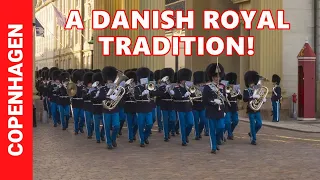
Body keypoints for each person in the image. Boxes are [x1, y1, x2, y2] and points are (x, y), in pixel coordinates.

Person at [202, 63, 226, 154]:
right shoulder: (207, 87)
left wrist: (224, 110)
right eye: (215, 76)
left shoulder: (222, 86)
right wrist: (213, 101)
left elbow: (224, 99)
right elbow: (204, 99)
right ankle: (213, 147)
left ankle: (216, 140)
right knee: (212, 129)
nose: (217, 78)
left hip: (220, 110)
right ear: (212, 77)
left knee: (221, 127)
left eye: (218, 76)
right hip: (211, 110)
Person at [171, 68, 194, 146]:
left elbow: (194, 95)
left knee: (191, 123)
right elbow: (176, 96)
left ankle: (186, 135)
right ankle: (183, 140)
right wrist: (184, 96)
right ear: (181, 80)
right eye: (184, 80)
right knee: (182, 124)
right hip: (180, 108)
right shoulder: (176, 88)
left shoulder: (189, 87)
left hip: (188, 107)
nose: (186, 82)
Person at [243, 71, 266, 145]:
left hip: (257, 109)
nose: (252, 84)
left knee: (259, 124)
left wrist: (263, 100)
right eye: (250, 83)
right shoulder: (246, 90)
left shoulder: (257, 90)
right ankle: (253, 139)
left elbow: (259, 98)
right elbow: (245, 99)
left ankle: (252, 133)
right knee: (252, 124)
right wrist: (252, 96)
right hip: (250, 109)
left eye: (253, 82)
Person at [99, 66, 120, 149]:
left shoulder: (117, 89)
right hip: (106, 110)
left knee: (116, 126)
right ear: (106, 80)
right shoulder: (102, 89)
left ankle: (113, 139)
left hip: (115, 110)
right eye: (109, 81)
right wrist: (108, 96)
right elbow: (100, 97)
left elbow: (121, 99)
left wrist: (116, 97)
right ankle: (109, 143)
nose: (110, 82)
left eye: (111, 80)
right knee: (107, 127)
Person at [153, 68, 176, 142]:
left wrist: (171, 91)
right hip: (164, 104)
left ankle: (168, 131)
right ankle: (166, 135)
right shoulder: (161, 87)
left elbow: (176, 95)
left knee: (173, 119)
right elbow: (156, 93)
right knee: (165, 120)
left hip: (171, 104)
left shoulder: (173, 86)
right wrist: (165, 90)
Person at [134, 67, 153, 147]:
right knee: (141, 125)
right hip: (141, 108)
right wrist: (142, 94)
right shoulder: (137, 88)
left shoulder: (150, 86)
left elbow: (156, 93)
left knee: (150, 124)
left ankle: (145, 137)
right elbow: (136, 97)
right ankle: (142, 141)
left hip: (148, 107)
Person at [224, 72, 242, 140]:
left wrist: (239, 93)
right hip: (227, 106)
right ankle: (229, 134)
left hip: (234, 106)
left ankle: (229, 132)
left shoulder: (236, 88)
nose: (231, 85)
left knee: (235, 121)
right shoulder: (225, 87)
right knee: (227, 122)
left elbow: (240, 98)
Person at [90, 72, 106, 143]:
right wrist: (97, 96)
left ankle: (102, 134)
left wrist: (99, 96)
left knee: (105, 125)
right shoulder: (93, 91)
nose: (98, 85)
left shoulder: (104, 90)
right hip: (96, 109)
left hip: (103, 109)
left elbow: (105, 98)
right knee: (96, 126)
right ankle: (98, 138)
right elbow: (92, 100)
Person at [123, 70, 138, 143]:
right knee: (129, 123)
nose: (131, 82)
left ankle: (133, 133)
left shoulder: (137, 87)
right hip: (128, 106)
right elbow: (122, 98)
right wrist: (128, 92)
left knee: (136, 122)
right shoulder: (124, 88)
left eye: (132, 81)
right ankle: (130, 137)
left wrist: (134, 92)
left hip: (136, 106)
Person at [191, 71, 206, 140]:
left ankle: (199, 132)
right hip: (195, 105)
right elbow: (191, 95)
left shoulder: (205, 87)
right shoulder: (193, 87)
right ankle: (196, 134)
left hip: (202, 105)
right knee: (196, 121)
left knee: (203, 121)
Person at [71, 69, 86, 134]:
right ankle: (76, 129)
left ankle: (81, 127)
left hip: (82, 104)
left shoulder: (84, 87)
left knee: (83, 117)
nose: (82, 82)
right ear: (78, 80)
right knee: (76, 118)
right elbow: (71, 95)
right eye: (81, 81)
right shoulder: (73, 86)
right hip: (75, 103)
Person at [82, 71, 94, 139]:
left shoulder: (95, 89)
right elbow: (83, 97)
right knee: (88, 121)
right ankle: (89, 133)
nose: (90, 84)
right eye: (89, 83)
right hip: (86, 106)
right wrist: (89, 93)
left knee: (94, 121)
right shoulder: (84, 89)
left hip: (93, 106)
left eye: (91, 83)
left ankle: (92, 130)